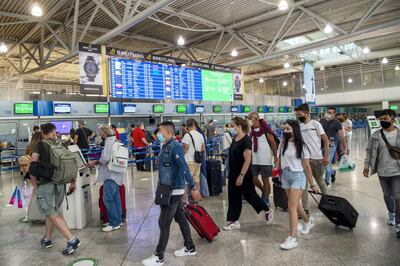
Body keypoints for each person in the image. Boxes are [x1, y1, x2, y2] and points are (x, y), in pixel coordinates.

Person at [142, 121, 201, 266]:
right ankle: (190, 246)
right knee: (180, 218)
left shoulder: (174, 146)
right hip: (168, 189)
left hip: (173, 190)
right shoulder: (166, 146)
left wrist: (192, 187)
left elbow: (183, 166)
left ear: (168, 132)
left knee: (163, 223)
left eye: (160, 131)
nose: (158, 133)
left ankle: (159, 256)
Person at [30, 123, 81, 255]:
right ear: (54, 132)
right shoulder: (62, 144)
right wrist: (73, 182)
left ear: (43, 133)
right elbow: (71, 164)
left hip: (46, 184)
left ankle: (72, 239)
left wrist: (35, 186)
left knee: (52, 213)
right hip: (60, 184)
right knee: (51, 213)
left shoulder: (39, 145)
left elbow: (33, 166)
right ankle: (47, 239)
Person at [223, 117, 273, 231]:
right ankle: (234, 221)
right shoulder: (235, 138)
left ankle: (267, 209)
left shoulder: (246, 140)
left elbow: (247, 160)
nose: (231, 128)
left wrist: (241, 176)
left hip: (243, 174)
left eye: (232, 126)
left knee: (250, 196)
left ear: (239, 127)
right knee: (233, 196)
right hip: (233, 173)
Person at [277, 120, 318, 250]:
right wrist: (276, 168)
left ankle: (292, 238)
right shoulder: (283, 143)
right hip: (286, 175)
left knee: (291, 207)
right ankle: (307, 221)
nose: (285, 131)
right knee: (295, 204)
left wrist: (312, 184)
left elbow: (306, 166)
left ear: (295, 130)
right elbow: (279, 158)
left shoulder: (302, 146)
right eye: (284, 129)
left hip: (297, 176)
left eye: (288, 129)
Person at [364, 109, 400, 239]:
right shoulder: (376, 135)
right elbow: (369, 151)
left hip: (397, 171)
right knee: (387, 195)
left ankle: (398, 224)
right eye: (381, 119)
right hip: (382, 171)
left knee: (398, 197)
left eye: (385, 119)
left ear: (392, 118)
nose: (382, 121)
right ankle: (392, 213)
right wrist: (366, 166)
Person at [88, 126, 124, 232]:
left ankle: (114, 223)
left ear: (104, 133)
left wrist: (95, 162)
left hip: (110, 175)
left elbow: (105, 159)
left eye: (100, 132)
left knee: (108, 199)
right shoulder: (116, 140)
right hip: (117, 174)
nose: (99, 133)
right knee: (116, 198)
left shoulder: (108, 142)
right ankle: (118, 221)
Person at [295, 103, 329, 215]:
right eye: (297, 114)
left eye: (300, 114)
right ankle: (305, 209)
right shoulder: (299, 127)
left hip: (317, 159)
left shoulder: (316, 124)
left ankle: (328, 203)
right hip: (304, 160)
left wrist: (326, 156)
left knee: (320, 181)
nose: (298, 116)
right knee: (304, 185)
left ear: (307, 113)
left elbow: (326, 140)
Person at [248, 112, 277, 207]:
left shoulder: (265, 129)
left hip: (265, 158)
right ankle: (264, 192)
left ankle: (265, 199)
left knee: (265, 180)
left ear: (256, 119)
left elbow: (273, 143)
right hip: (254, 158)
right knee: (253, 178)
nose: (249, 120)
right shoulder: (251, 130)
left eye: (250, 118)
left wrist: (276, 157)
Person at [320, 107, 347, 185]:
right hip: (321, 145)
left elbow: (341, 136)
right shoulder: (321, 121)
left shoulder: (337, 123)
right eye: (328, 112)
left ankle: (326, 182)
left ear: (334, 114)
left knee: (327, 163)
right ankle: (332, 172)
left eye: (332, 113)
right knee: (323, 164)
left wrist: (344, 147)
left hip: (331, 146)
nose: (329, 114)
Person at [182, 119, 205, 191]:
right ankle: (196, 199)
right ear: (195, 125)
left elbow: (185, 149)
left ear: (187, 126)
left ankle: (184, 200)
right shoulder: (200, 135)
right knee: (197, 180)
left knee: (185, 181)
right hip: (198, 161)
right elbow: (203, 148)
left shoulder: (187, 135)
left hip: (189, 161)